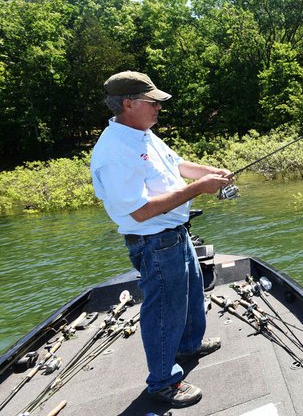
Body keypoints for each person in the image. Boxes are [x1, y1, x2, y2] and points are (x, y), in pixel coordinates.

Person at [90, 71, 232, 408]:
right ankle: (164, 381)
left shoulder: (143, 135)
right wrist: (199, 189)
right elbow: (139, 212)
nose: (158, 108)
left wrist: (210, 173)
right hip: (153, 242)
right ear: (128, 104)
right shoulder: (113, 152)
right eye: (152, 102)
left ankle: (188, 344)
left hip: (175, 235)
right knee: (165, 311)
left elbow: (177, 164)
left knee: (191, 293)